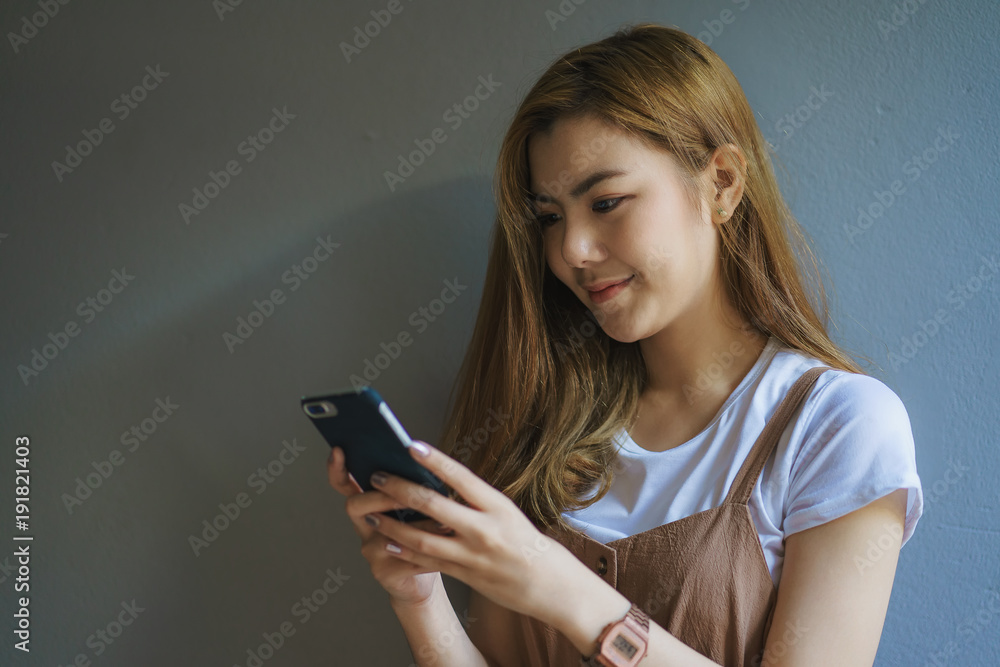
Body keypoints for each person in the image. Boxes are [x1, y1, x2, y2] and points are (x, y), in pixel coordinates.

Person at [327, 22, 923, 666]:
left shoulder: (836, 426)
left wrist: (559, 588)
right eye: (550, 217)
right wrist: (421, 600)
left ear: (722, 182)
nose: (571, 251)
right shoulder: (546, 423)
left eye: (607, 201)